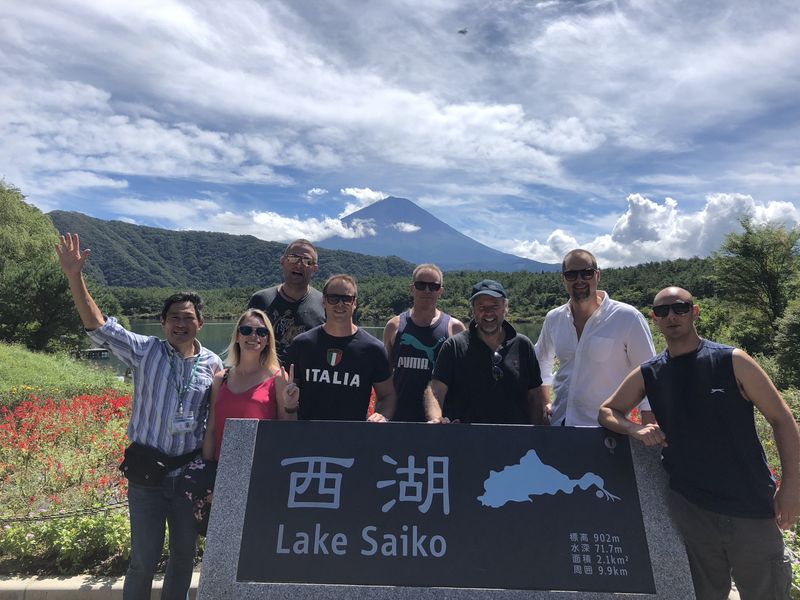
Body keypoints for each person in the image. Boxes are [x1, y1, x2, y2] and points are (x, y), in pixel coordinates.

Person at [599, 287, 799, 600]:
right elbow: (607, 411)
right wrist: (634, 429)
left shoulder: (732, 361)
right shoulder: (651, 373)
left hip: (750, 506)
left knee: (767, 592)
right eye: (663, 311)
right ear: (655, 319)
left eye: (680, 308)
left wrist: (790, 488)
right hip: (692, 509)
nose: (672, 316)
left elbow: (783, 420)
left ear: (695, 312)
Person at [55, 233, 222, 600]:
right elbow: (98, 326)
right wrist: (74, 277)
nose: (181, 324)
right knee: (142, 562)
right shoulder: (145, 351)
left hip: (188, 478)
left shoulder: (214, 364)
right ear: (163, 323)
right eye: (174, 318)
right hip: (147, 475)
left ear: (200, 323)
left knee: (183, 560)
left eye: (189, 318)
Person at [535, 249, 656, 426]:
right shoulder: (554, 318)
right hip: (560, 424)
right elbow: (541, 361)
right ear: (563, 279)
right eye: (571, 275)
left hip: (608, 429)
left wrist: (648, 422)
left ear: (597, 275)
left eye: (586, 273)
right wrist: (545, 401)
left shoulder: (628, 317)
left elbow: (648, 372)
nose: (579, 280)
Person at [425, 279, 547, 424]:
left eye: (495, 306)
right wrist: (436, 419)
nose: (488, 313)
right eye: (481, 307)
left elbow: (535, 397)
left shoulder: (523, 345)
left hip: (515, 441)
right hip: (465, 441)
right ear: (473, 310)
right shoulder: (454, 346)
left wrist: (536, 439)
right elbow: (435, 391)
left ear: (505, 308)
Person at [285, 274, 395, 422]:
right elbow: (288, 394)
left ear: (355, 302)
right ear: (323, 301)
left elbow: (387, 396)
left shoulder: (373, 349)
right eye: (333, 298)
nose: (340, 304)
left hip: (353, 438)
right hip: (308, 437)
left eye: (346, 299)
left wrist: (382, 415)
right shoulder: (302, 345)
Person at [202, 309, 299, 462]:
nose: (254, 336)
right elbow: (212, 430)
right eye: (246, 330)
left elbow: (287, 429)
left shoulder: (278, 378)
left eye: (261, 332)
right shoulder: (221, 379)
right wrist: (206, 466)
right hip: (223, 468)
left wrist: (291, 406)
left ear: (268, 340)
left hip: (262, 466)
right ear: (237, 336)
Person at [383, 264, 465, 422]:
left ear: (440, 291)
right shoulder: (394, 326)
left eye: (433, 286)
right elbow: (385, 376)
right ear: (412, 288)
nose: (427, 290)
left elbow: (462, 379)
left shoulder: (455, 328)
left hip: (440, 422)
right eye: (421, 285)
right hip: (400, 419)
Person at [247, 239, 325, 364]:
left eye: (306, 261)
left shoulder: (325, 304)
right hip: (265, 380)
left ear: (314, 268)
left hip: (308, 382)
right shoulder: (260, 300)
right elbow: (243, 343)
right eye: (293, 258)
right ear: (282, 261)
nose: (299, 265)